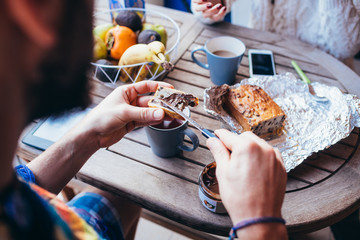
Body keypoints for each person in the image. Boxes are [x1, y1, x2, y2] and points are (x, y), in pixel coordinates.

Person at [0, 0, 288, 239]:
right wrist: (262, 227)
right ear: (34, 10)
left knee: (125, 195)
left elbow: (21, 187)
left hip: (44, 210)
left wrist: (85, 136)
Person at [191, 0, 360, 61]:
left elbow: (345, 49)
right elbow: (203, 13)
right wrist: (210, 6)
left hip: (324, 69)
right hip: (259, 57)